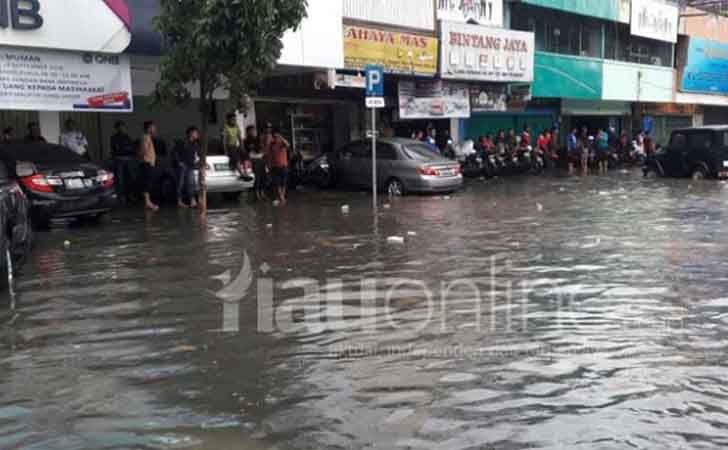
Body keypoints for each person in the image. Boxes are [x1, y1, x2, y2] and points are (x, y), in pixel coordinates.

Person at [110, 121, 136, 203]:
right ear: (117, 128)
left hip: (128, 159)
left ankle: (130, 195)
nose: (122, 128)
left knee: (130, 178)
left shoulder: (127, 137)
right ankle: (121, 196)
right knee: (120, 179)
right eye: (120, 127)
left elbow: (132, 148)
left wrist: (126, 149)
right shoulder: (114, 138)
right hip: (119, 160)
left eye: (123, 127)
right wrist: (125, 149)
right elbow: (116, 149)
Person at [174, 126, 199, 208]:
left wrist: (197, 162)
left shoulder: (195, 144)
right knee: (180, 184)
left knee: (191, 183)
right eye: (195, 133)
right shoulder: (182, 142)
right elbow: (175, 152)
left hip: (190, 166)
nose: (197, 134)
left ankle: (192, 201)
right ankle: (179, 201)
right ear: (191, 133)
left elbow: (195, 155)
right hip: (183, 166)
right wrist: (179, 162)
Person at [138, 121, 159, 211]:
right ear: (149, 128)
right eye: (153, 127)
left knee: (148, 183)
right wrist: (148, 160)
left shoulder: (148, 137)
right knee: (147, 183)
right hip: (146, 163)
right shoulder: (145, 137)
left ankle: (148, 202)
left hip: (148, 163)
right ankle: (147, 202)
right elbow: (143, 150)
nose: (155, 129)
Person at [265, 129, 290, 205]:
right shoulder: (271, 145)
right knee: (277, 183)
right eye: (274, 136)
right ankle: (281, 198)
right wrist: (268, 166)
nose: (276, 138)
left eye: (277, 136)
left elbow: (288, 145)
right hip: (274, 166)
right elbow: (269, 156)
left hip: (283, 165)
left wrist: (281, 137)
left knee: (283, 183)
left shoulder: (282, 143)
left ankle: (282, 197)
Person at [246, 125, 268, 201]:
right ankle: (257, 194)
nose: (253, 132)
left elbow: (262, 148)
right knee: (257, 178)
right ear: (248, 132)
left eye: (254, 130)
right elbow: (250, 150)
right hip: (253, 159)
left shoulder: (258, 139)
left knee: (263, 177)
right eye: (251, 130)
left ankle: (262, 193)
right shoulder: (246, 141)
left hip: (261, 159)